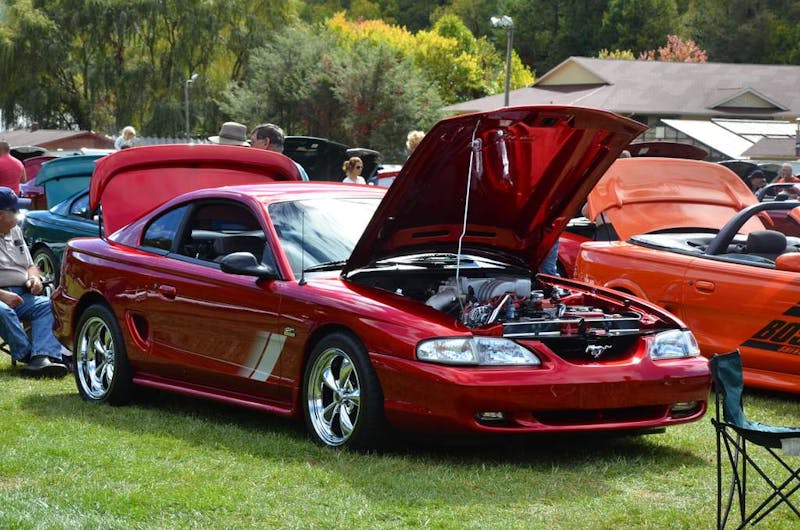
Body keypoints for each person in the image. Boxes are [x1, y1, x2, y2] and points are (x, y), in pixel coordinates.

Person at [0, 187, 68, 377]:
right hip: (2, 297)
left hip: (23, 294)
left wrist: (34, 278)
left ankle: (42, 357)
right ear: (0, 215)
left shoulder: (15, 230)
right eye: (15, 210)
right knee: (2, 310)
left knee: (48, 304)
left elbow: (31, 265)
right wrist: (3, 295)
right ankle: (29, 356)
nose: (19, 213)